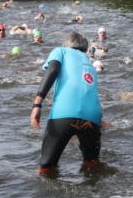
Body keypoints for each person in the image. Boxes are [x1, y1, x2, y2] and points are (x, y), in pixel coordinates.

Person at [31, 31, 107, 177]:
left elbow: (53, 69)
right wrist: (98, 119)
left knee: (46, 167)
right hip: (93, 117)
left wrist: (37, 105)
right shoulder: (90, 64)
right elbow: (87, 92)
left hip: (64, 113)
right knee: (92, 164)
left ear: (66, 43)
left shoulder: (60, 51)